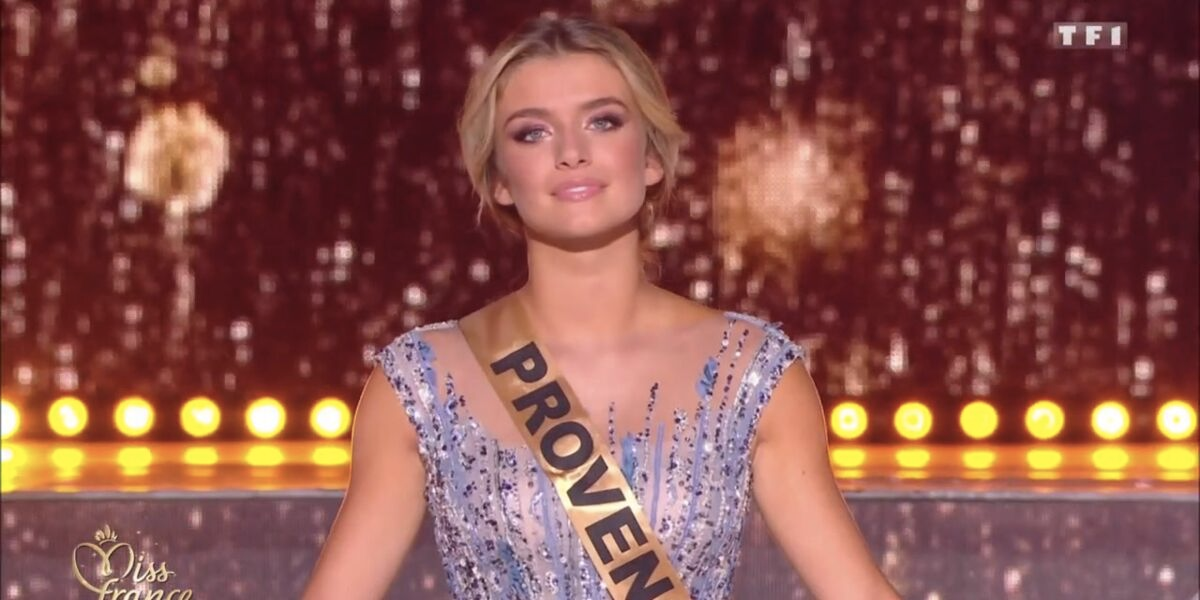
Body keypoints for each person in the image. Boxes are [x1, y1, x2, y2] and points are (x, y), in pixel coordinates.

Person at [303, 14, 900, 600]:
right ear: (499, 179)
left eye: (603, 122)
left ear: (651, 158)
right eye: (532, 133)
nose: (572, 152)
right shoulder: (420, 383)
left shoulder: (749, 374)